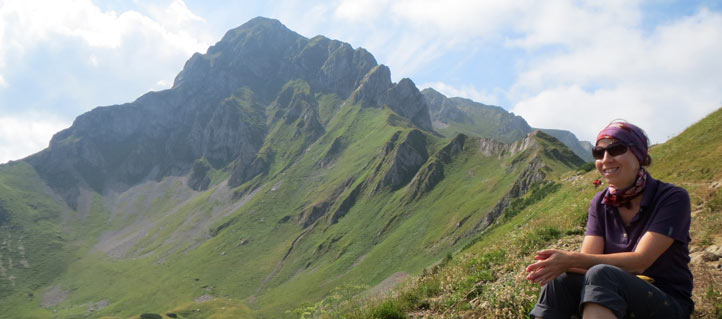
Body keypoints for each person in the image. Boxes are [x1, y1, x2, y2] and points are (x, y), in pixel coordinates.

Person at [525, 120, 694, 318]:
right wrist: (554, 265)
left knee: (601, 274)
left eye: (616, 149)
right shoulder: (601, 202)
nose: (605, 160)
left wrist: (570, 258)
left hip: (666, 300)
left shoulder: (672, 197)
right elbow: (586, 262)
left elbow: (641, 261)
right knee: (560, 280)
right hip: (615, 295)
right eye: (599, 153)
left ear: (639, 154)